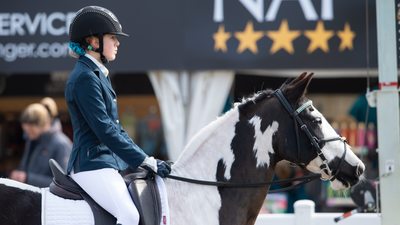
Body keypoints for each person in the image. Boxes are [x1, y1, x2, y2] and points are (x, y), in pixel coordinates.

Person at [65, 6, 171, 225]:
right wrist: (145, 160)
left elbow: (116, 128)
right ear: (94, 42)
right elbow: (104, 129)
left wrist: (145, 159)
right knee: (130, 216)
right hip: (90, 164)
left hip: (105, 162)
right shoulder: (85, 77)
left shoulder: (97, 74)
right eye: (112, 38)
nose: (117, 43)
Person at [9, 103, 72, 187]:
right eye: (26, 131)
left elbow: (64, 183)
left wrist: (28, 178)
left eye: (31, 130)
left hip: (47, 198)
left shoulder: (61, 144)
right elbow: (24, 167)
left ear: (44, 124)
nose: (27, 134)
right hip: (30, 195)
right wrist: (19, 175)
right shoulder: (32, 139)